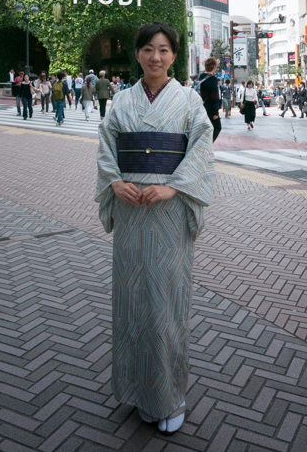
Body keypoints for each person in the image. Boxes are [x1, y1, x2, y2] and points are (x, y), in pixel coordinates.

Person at [95, 21, 212, 434]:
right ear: (137, 53)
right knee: (131, 302)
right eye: (148, 49)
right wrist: (114, 181)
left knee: (166, 304)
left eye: (163, 50)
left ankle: (170, 395)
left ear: (174, 55)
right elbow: (106, 146)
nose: (155, 57)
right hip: (130, 210)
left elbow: (201, 147)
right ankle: (140, 391)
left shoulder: (189, 101)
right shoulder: (122, 101)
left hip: (168, 212)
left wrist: (173, 188)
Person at [199, 58, 222, 141]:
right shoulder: (213, 79)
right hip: (209, 109)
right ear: (214, 67)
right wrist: (215, 112)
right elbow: (214, 96)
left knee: (202, 129)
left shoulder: (200, 77)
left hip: (199, 108)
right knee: (217, 127)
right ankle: (206, 145)